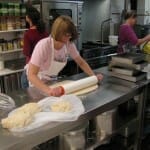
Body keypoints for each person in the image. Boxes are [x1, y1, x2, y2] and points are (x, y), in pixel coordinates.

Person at [27, 16, 103, 97]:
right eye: (67, 35)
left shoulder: (68, 44)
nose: (69, 38)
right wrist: (49, 90)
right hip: (37, 83)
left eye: (70, 35)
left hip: (52, 81)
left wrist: (93, 77)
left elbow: (81, 62)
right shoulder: (44, 45)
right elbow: (31, 75)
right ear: (58, 33)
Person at [21, 5, 48, 89]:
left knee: (27, 89)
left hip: (32, 66)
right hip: (44, 67)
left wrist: (23, 44)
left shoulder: (28, 34)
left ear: (28, 18)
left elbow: (26, 52)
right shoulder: (45, 32)